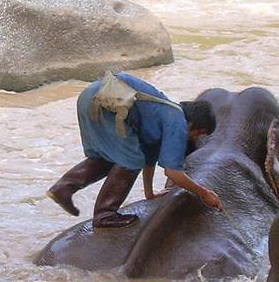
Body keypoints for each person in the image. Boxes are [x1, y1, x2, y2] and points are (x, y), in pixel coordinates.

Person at [47, 72, 223, 229]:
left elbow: (148, 159)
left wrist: (150, 193)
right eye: (198, 132)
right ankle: (105, 215)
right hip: (108, 103)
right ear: (192, 122)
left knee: (109, 157)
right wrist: (204, 193)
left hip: (91, 96)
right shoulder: (177, 122)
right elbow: (173, 171)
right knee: (131, 160)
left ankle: (63, 188)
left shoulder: (163, 115)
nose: (193, 138)